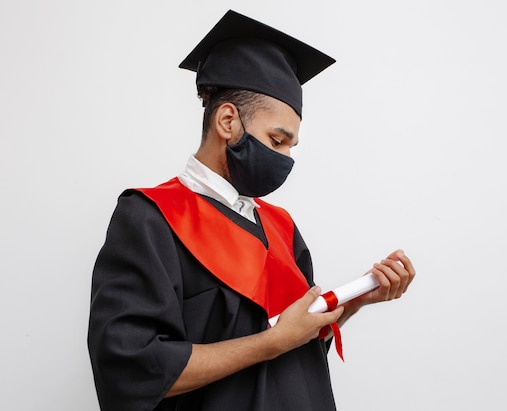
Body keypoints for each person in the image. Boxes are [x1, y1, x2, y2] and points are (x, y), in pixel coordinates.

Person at [87, 10, 415, 411]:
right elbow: (130, 368)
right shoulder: (151, 219)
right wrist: (270, 343)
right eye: (277, 141)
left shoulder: (281, 227)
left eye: (291, 146)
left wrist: (353, 302)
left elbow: (297, 346)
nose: (286, 158)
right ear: (228, 121)